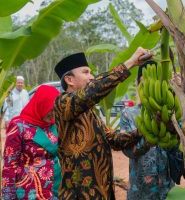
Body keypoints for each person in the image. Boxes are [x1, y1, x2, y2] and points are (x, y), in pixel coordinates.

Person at [54, 48, 151, 199]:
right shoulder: (63, 103)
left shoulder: (91, 112)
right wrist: (130, 62)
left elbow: (114, 140)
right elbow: (92, 91)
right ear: (69, 80)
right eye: (86, 72)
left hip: (103, 192)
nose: (91, 77)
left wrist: (144, 130)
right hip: (79, 194)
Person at [119, 64, 185, 200]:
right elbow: (128, 151)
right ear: (138, 84)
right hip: (140, 191)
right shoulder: (129, 114)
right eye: (144, 81)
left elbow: (180, 148)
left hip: (167, 190)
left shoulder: (172, 113)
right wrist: (148, 140)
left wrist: (171, 127)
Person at [2, 85, 61, 200]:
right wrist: (8, 195)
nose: (54, 113)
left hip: (55, 188)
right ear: (42, 103)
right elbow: (10, 165)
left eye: (56, 109)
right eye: (51, 109)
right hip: (29, 191)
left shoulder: (53, 125)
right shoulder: (19, 126)